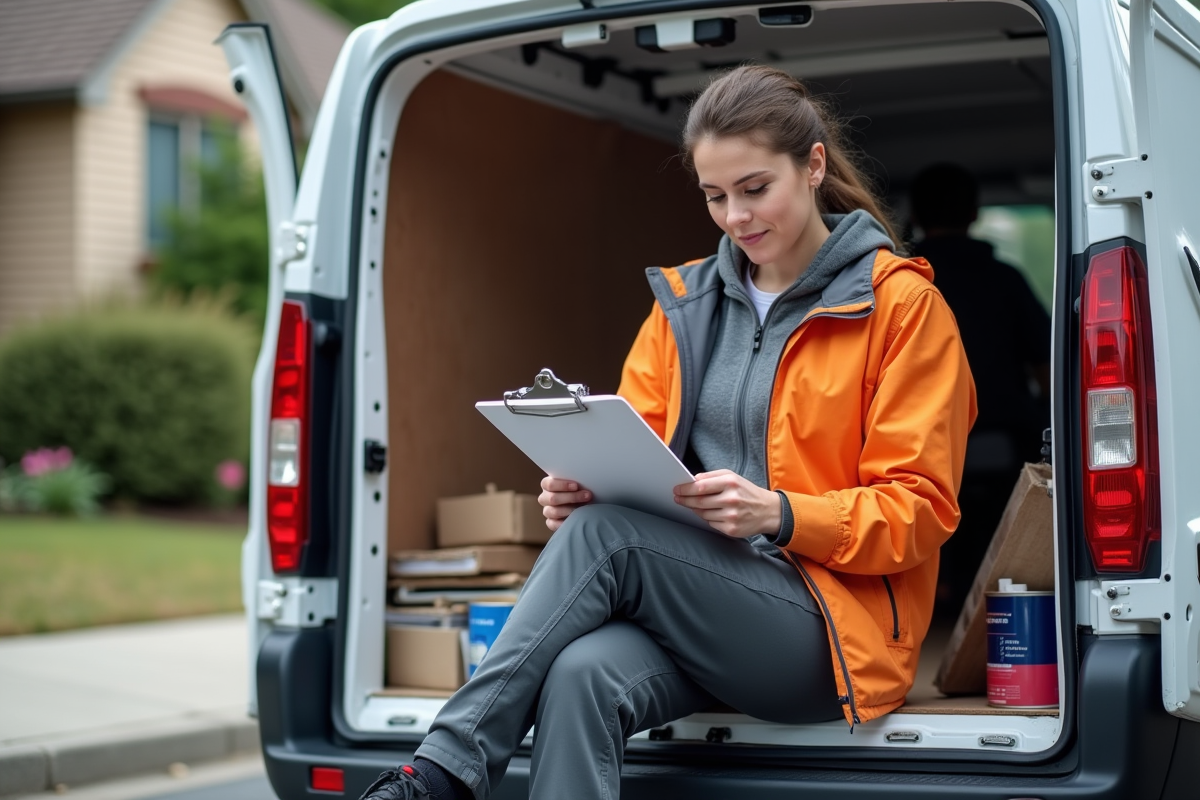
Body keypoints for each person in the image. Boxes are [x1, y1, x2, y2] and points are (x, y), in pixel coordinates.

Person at [359, 65, 976, 800]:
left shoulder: (904, 308)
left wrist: (779, 513)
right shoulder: (683, 304)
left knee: (607, 540)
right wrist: (583, 491)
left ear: (812, 166)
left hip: (831, 635)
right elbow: (636, 456)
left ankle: (441, 774)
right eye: (715, 197)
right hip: (701, 600)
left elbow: (920, 509)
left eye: (754, 189)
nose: (736, 218)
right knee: (581, 671)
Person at [909, 164, 1050, 618]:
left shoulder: (897, 281)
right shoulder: (1005, 279)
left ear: (914, 213)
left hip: (916, 446)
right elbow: (1046, 362)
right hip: (1005, 440)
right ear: (973, 213)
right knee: (1000, 537)